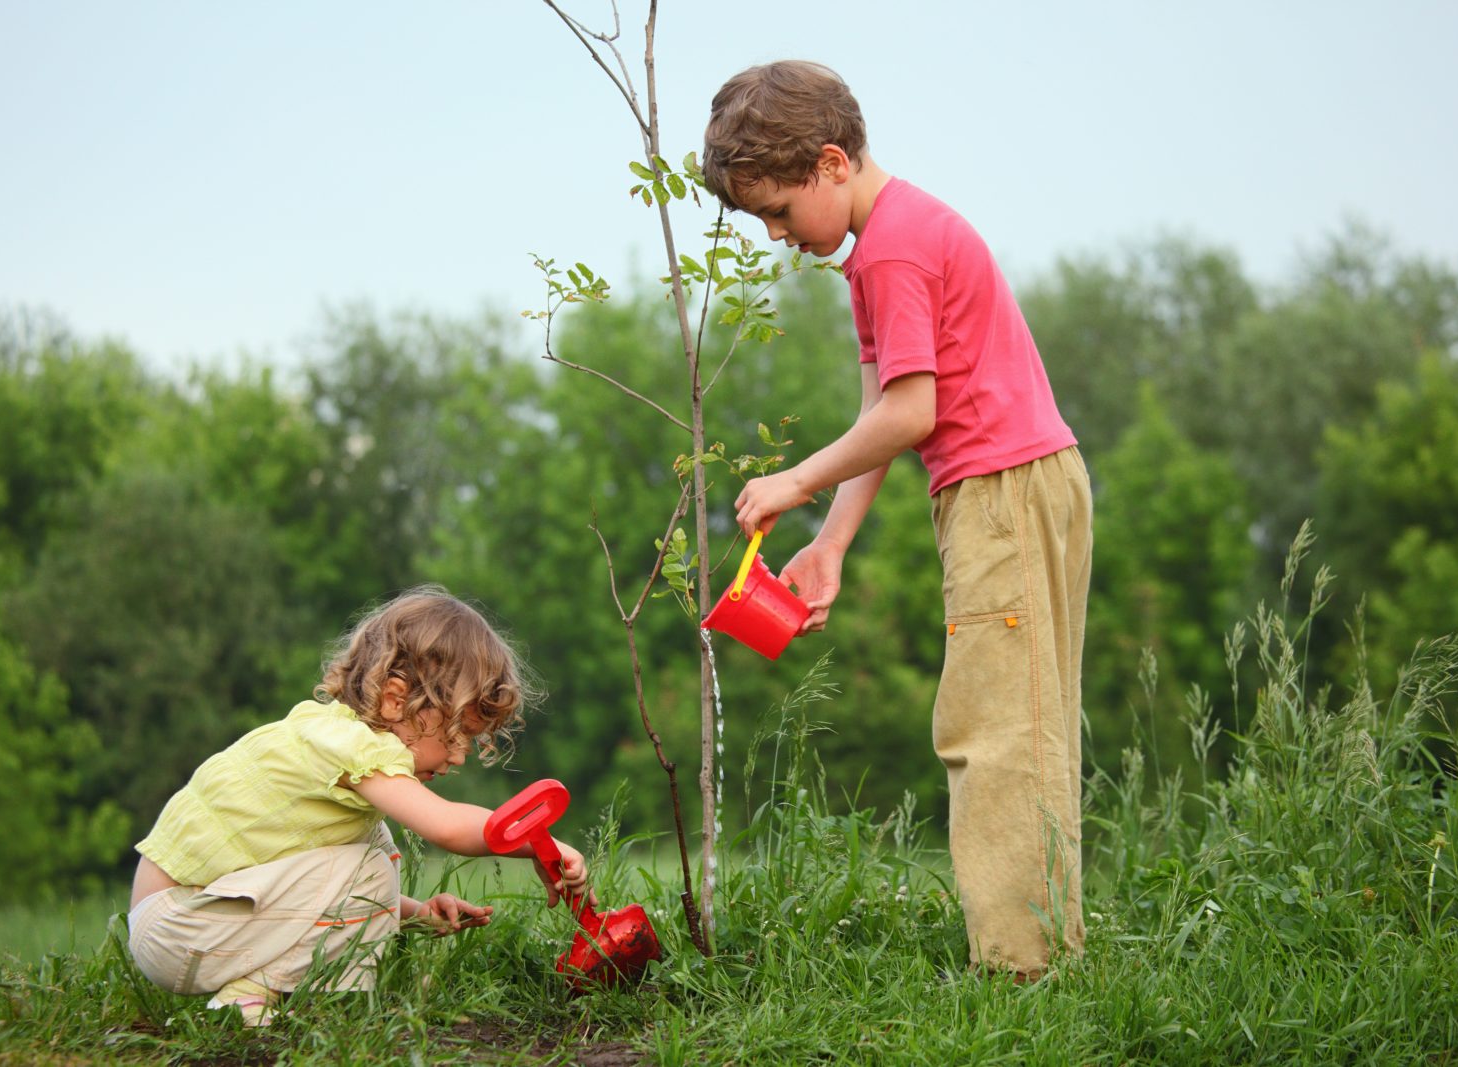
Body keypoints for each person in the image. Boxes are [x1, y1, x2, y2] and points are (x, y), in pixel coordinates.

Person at [703, 61, 1092, 980]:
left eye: (780, 211)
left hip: (1003, 491)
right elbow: (885, 406)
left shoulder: (894, 249)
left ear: (831, 164)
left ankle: (1023, 969)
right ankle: (1042, 953)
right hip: (1007, 486)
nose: (776, 235)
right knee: (1021, 718)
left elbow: (913, 414)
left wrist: (795, 479)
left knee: (996, 729)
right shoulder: (877, 251)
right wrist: (832, 540)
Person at [127, 585, 594, 1026]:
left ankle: (261, 999)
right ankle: (253, 1001)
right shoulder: (354, 748)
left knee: (373, 847)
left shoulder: (331, 738)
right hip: (180, 926)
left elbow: (306, 880)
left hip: (186, 925)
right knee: (369, 862)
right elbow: (448, 827)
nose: (458, 756)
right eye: (457, 734)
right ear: (395, 701)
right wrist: (539, 844)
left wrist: (413, 912)